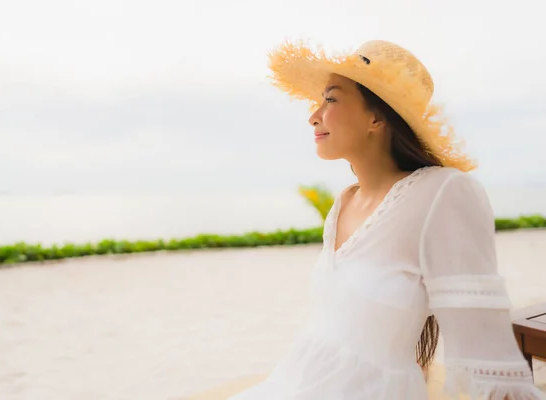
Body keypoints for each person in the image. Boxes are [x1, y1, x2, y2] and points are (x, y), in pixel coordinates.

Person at [228, 40, 545, 399]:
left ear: (376, 117)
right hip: (297, 383)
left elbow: (484, 350)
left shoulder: (442, 192)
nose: (313, 116)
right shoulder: (342, 204)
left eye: (330, 99)